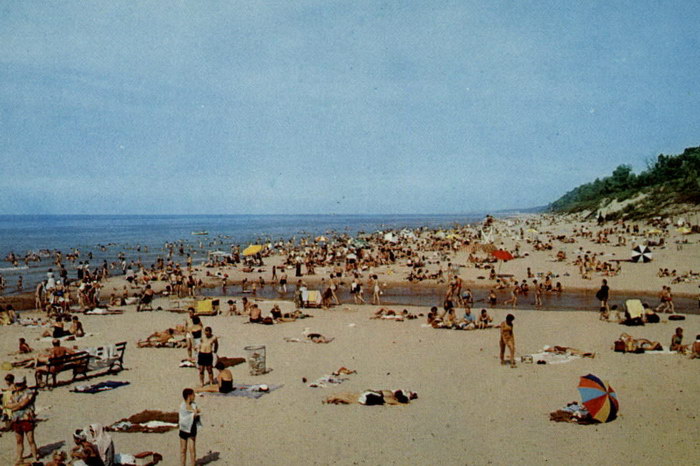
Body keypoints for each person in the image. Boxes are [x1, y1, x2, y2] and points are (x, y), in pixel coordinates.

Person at [5, 376, 39, 464]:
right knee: (19, 440)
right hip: (17, 419)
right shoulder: (15, 393)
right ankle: (20, 457)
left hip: (26, 418)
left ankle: (35, 456)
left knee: (30, 439)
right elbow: (8, 405)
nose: (18, 386)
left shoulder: (29, 392)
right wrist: (17, 405)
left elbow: (22, 404)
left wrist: (14, 407)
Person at [179, 388, 201, 466]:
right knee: (183, 450)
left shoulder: (194, 405)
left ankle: (193, 464)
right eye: (193, 394)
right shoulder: (182, 406)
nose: (194, 396)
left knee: (192, 449)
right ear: (189, 396)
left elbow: (195, 413)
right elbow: (184, 418)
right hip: (183, 429)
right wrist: (193, 414)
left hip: (192, 429)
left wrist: (196, 412)